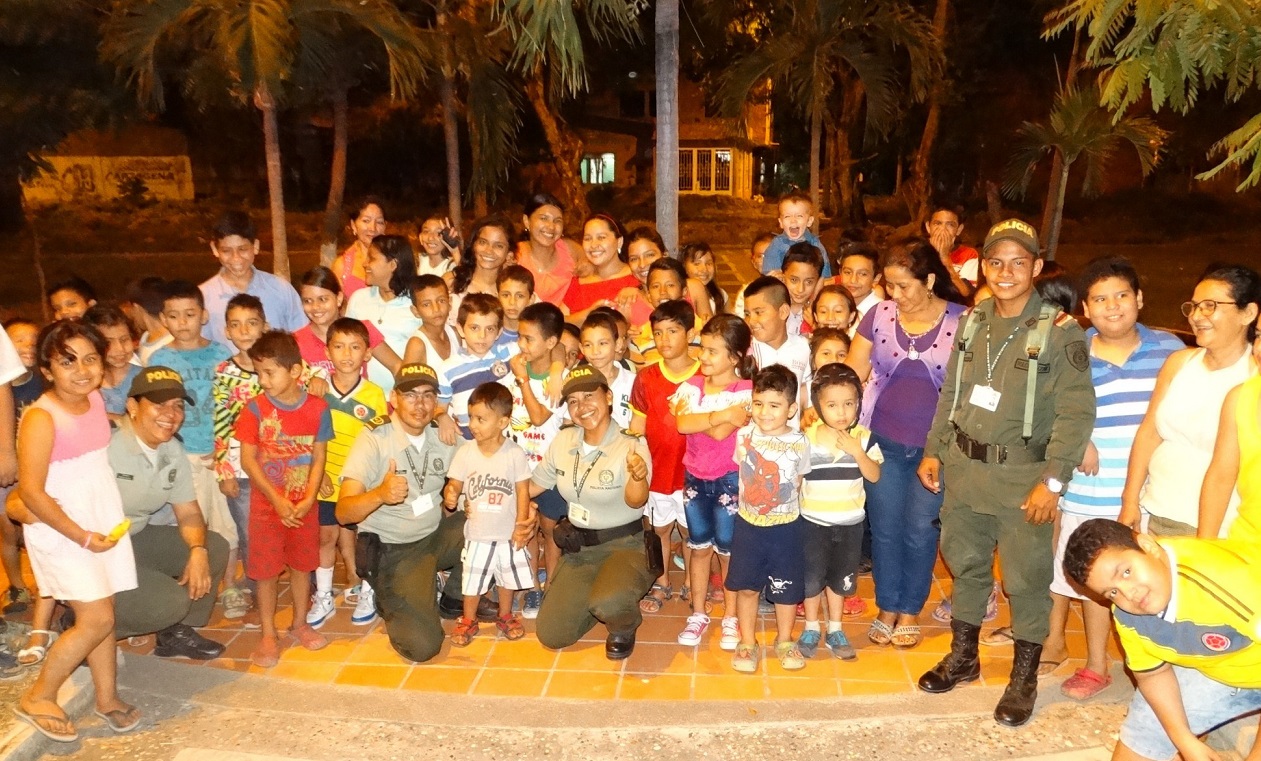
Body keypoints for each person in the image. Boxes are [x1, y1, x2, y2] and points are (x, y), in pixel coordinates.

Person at [915, 219, 1095, 727]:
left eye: (1019, 262)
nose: (1006, 271)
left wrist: (1053, 482)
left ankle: (1023, 678)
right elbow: (951, 391)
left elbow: (1076, 414)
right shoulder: (974, 321)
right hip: (966, 471)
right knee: (966, 565)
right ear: (984, 267)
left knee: (1026, 580)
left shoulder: (1061, 333)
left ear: (1037, 267)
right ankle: (964, 658)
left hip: (1024, 481)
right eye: (996, 262)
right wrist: (935, 450)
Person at [1039, 256, 1183, 700]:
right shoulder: (1069, 350)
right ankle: (1097, 664)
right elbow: (1042, 407)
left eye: (1122, 295)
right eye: (1100, 299)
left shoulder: (1172, 351)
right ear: (1086, 306)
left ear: (1139, 299)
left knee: (1158, 578)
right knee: (1100, 584)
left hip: (1155, 494)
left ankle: (1164, 666)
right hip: (1091, 491)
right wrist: (1076, 438)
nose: (1113, 307)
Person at [12, 320, 138, 742]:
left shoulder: (96, 400)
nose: (82, 370)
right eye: (68, 362)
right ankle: (39, 694)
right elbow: (30, 491)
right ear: (47, 369)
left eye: (90, 359)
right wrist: (82, 535)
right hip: (63, 529)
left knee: (103, 617)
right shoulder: (41, 418)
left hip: (99, 520)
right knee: (95, 618)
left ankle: (107, 698)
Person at [843, 240, 968, 650]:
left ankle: (911, 608)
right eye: (890, 286)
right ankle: (887, 606)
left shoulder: (964, 321)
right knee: (884, 529)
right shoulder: (878, 316)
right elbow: (853, 371)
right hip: (883, 444)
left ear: (929, 280)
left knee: (920, 529)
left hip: (936, 450)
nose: (894, 296)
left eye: (903, 287)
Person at [1063, 519, 1261, 761]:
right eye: (1112, 592)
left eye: (1126, 572)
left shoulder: (1227, 579)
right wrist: (1185, 741)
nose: (1129, 593)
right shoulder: (1128, 614)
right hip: (1225, 668)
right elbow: (1152, 674)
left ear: (1148, 545)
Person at [337, 363, 493, 663]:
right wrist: (380, 494)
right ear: (394, 398)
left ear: (436, 402)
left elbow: (486, 456)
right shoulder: (375, 439)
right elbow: (344, 513)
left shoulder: (441, 434)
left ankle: (453, 598)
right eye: (410, 395)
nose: (419, 405)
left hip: (432, 538)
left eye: (427, 396)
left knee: (491, 513)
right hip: (393, 551)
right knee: (423, 647)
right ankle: (390, 596)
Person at [1120, 264, 1260, 538]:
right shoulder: (1179, 363)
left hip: (1223, 527)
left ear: (1248, 313)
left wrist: (1205, 541)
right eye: (1194, 307)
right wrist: (1130, 500)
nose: (1196, 316)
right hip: (1159, 513)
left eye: (1210, 306)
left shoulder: (1252, 377)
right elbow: (1149, 433)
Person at [528, 364, 654, 660]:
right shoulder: (563, 441)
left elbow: (636, 502)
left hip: (625, 545)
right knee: (552, 633)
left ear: (608, 397)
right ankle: (599, 596)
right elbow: (533, 484)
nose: (582, 407)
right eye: (573, 401)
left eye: (589, 396)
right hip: (580, 549)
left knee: (609, 602)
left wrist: (637, 476)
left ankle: (624, 624)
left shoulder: (631, 443)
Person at [108, 367, 229, 658]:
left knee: (214, 547)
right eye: (158, 404)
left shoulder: (172, 450)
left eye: (177, 406)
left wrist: (198, 549)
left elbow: (188, 512)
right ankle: (86, 625)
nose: (170, 414)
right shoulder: (106, 443)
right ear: (132, 406)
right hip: (97, 550)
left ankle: (175, 634)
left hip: (134, 538)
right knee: (170, 602)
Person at [234, 331, 334, 667]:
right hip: (267, 507)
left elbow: (319, 458)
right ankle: (267, 633)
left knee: (303, 565)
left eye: (269, 372)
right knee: (265, 571)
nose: (262, 381)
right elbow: (249, 460)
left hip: (304, 505)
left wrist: (307, 499)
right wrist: (277, 500)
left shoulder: (319, 409)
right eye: (258, 372)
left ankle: (299, 624)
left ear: (295, 371)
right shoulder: (255, 410)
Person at [671, 315, 754, 650]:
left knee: (728, 549)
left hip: (729, 479)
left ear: (735, 357)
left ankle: (731, 615)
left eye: (712, 351)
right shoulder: (690, 386)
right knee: (698, 545)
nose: (703, 356)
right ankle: (699, 611)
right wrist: (721, 414)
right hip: (695, 477)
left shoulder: (747, 391)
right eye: (702, 349)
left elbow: (714, 432)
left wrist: (699, 419)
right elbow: (681, 424)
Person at [727, 364, 812, 673]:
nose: (764, 412)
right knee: (747, 587)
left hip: (787, 528)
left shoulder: (801, 442)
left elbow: (799, 481)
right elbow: (743, 471)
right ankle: (747, 642)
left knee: (786, 590)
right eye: (758, 403)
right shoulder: (743, 436)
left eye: (774, 405)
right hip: (748, 526)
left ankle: (786, 640)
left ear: (791, 409)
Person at [797, 363, 881, 661]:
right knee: (811, 579)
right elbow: (797, 480)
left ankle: (835, 628)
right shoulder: (807, 439)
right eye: (832, 405)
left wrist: (857, 451)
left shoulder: (865, 437)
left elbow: (874, 476)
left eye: (849, 403)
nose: (842, 412)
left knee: (840, 579)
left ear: (859, 402)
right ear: (818, 406)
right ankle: (810, 627)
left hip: (849, 525)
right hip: (812, 523)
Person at [149, 280, 238, 561]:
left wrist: (224, 447)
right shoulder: (159, 359)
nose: (182, 323)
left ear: (203, 315)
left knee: (226, 523)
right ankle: (196, 573)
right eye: (173, 316)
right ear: (163, 320)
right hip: (181, 453)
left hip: (218, 454)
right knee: (190, 520)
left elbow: (234, 405)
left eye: (189, 314)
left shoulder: (222, 354)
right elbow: (154, 410)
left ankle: (230, 586)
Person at [307, 318, 387, 629]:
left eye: (355, 347)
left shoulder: (374, 394)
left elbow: (379, 441)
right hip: (326, 479)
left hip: (359, 481)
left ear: (367, 354)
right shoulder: (317, 389)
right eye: (338, 347)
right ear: (327, 351)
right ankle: (324, 596)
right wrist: (318, 472)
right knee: (325, 537)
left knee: (363, 538)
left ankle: (368, 591)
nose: (347, 354)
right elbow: (308, 435)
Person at [441, 383, 533, 645]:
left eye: (481, 419)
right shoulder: (466, 451)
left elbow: (523, 491)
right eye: (471, 417)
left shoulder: (514, 453)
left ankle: (505, 614)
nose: (473, 425)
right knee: (473, 578)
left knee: (507, 577)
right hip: (478, 533)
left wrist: (521, 525)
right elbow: (455, 483)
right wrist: (451, 493)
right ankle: (468, 619)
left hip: (507, 532)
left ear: (503, 421)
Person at [630, 300, 699, 614]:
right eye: (658, 333)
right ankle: (661, 582)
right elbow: (637, 426)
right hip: (658, 471)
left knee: (689, 531)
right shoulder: (646, 378)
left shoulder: (704, 377)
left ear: (690, 333)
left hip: (693, 473)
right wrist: (636, 462)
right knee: (659, 529)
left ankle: (691, 580)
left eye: (673, 331)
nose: (665, 339)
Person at [505, 302, 567, 618]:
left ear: (552, 343)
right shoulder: (514, 369)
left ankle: (554, 587)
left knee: (549, 529)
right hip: (520, 469)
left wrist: (524, 381)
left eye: (529, 339)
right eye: (520, 337)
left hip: (550, 472)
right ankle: (532, 588)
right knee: (526, 526)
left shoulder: (560, 379)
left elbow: (540, 417)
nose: (522, 345)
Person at [210, 293, 267, 621]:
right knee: (248, 530)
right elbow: (219, 420)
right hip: (239, 466)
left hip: (276, 464)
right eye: (236, 324)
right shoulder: (223, 372)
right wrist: (223, 470)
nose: (244, 330)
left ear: (265, 326)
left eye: (252, 323)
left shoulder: (276, 366)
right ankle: (260, 590)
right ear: (227, 331)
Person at [198, 211, 305, 350]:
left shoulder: (281, 290)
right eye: (226, 251)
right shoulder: (203, 297)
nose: (236, 258)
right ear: (215, 249)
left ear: (255, 246)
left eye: (242, 249)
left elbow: (302, 338)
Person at [294, 266, 402, 382]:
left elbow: (397, 366)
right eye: (307, 301)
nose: (315, 307)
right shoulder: (295, 341)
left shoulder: (361, 330)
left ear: (339, 298)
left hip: (362, 399)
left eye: (323, 299)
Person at [345, 234, 422, 394]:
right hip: (362, 398)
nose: (365, 263)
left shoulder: (416, 304)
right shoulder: (359, 299)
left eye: (371, 258)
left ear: (393, 264)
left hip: (403, 398)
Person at [1, 320, 40, 615]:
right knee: (6, 532)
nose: (28, 346)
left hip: (34, 468)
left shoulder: (43, 381)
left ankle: (47, 585)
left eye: (33, 340)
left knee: (36, 530)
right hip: (4, 472)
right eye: (19, 340)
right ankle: (17, 586)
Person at [443, 293, 513, 438]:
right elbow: (439, 408)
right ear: (461, 329)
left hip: (505, 443)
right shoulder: (447, 369)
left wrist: (556, 372)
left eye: (490, 329)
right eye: (474, 328)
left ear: (499, 332)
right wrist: (441, 417)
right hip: (468, 445)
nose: (482, 336)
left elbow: (552, 344)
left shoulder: (509, 353)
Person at [563, 214, 647, 326]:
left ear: (619, 242)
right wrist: (589, 314)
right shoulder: (578, 282)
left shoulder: (637, 276)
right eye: (588, 238)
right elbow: (557, 322)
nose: (594, 245)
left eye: (601, 237)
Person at [745, 276, 811, 412]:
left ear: (783, 312)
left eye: (758, 312)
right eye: (747, 314)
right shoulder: (745, 352)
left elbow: (807, 393)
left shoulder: (803, 347)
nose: (751, 321)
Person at [516, 194, 580, 306]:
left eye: (557, 221)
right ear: (527, 221)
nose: (551, 227)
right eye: (544, 218)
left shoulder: (571, 250)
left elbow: (598, 270)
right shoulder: (515, 255)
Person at [83, 305, 141, 420]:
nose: (120, 349)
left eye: (124, 340)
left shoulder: (144, 378)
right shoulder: (83, 382)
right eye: (108, 343)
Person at [580, 312, 635, 430]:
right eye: (588, 345)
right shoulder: (576, 381)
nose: (595, 351)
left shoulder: (633, 382)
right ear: (581, 349)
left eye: (602, 343)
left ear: (617, 344)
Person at [759, 192, 832, 279]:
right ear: (781, 222)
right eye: (787, 216)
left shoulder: (816, 246)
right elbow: (769, 272)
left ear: (809, 221)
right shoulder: (776, 245)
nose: (793, 221)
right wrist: (776, 276)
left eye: (799, 216)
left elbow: (825, 277)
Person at [449, 214, 517, 304]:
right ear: (473, 245)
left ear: (509, 255)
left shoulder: (514, 291)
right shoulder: (451, 282)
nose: (489, 250)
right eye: (483, 242)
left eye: (498, 246)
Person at [334, 197, 387, 300]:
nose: (373, 228)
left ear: (385, 226)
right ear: (353, 225)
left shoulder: (395, 262)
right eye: (366, 221)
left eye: (379, 222)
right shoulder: (342, 266)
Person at [925, 205, 978, 297]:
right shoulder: (917, 250)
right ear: (928, 227)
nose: (943, 230)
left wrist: (945, 258)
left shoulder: (968, 254)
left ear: (959, 229)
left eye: (950, 225)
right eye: (937, 223)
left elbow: (965, 293)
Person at [122, 276, 172, 364]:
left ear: (137, 307)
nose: (132, 315)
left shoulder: (170, 344)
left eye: (131, 308)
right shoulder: (146, 337)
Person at [782, 242, 825, 336]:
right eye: (794, 280)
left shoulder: (822, 314)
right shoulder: (772, 307)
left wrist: (815, 326)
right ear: (783, 276)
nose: (800, 289)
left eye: (809, 282)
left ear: (818, 282)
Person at [838, 246, 884, 331]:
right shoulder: (833, 305)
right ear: (840, 273)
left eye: (862, 274)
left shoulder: (882, 313)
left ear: (876, 279)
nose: (853, 280)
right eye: (847, 272)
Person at [681, 241, 727, 316]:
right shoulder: (682, 294)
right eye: (697, 264)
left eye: (708, 263)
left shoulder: (721, 295)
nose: (704, 269)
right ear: (684, 266)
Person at [496, 264, 534, 347]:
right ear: (497, 297)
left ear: (531, 299)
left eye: (520, 296)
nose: (512, 302)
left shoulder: (536, 335)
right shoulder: (488, 331)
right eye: (506, 295)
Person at [416, 213, 459, 278]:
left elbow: (467, 281)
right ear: (420, 237)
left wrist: (455, 252)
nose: (431, 238)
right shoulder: (416, 262)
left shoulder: (453, 265)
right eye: (426, 231)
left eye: (439, 233)